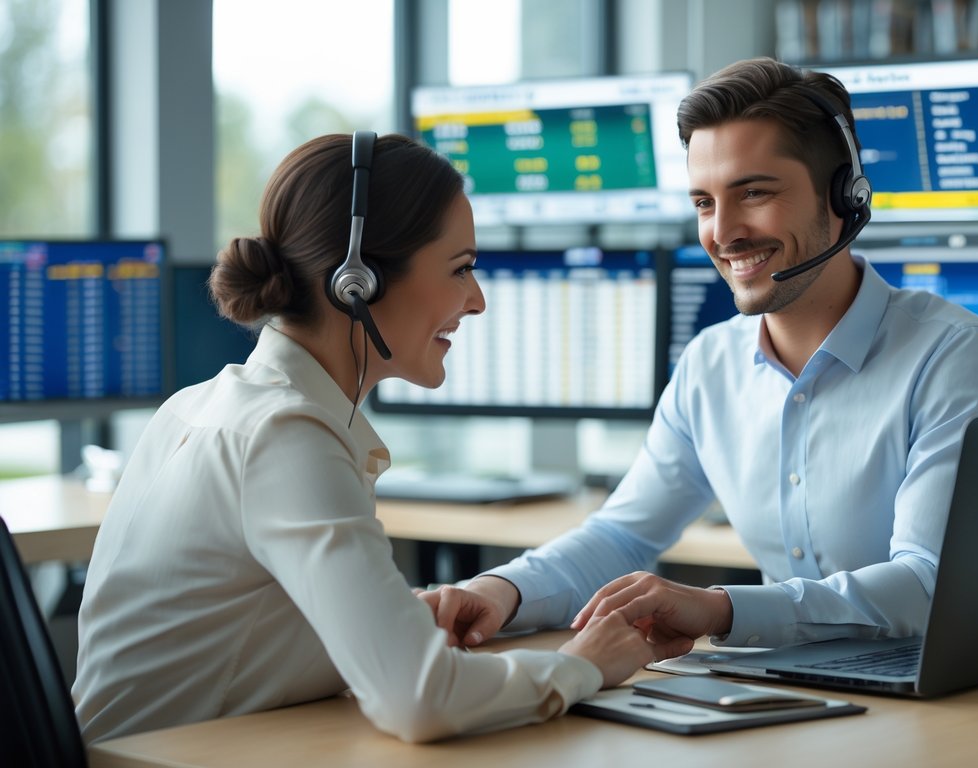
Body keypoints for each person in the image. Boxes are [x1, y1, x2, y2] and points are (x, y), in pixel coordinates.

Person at [72, 133, 653, 744]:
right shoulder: (285, 433)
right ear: (359, 281)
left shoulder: (202, 404)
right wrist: (583, 665)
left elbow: (236, 639)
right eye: (461, 269)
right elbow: (419, 701)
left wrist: (398, 620)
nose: (476, 301)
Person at [429, 58, 978, 656]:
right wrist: (500, 591)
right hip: (778, 686)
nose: (724, 232)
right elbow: (622, 535)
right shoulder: (711, 364)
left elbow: (925, 581)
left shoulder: (950, 354)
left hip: (924, 698)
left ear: (844, 195)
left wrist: (720, 609)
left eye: (754, 192)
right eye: (704, 203)